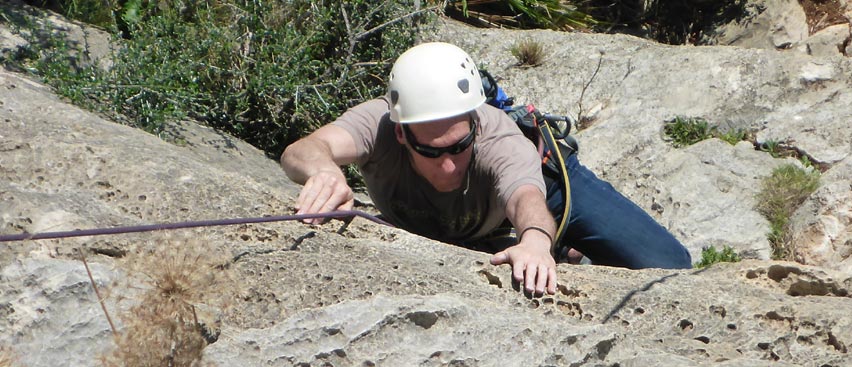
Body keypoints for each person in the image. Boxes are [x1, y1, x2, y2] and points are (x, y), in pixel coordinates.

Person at [280, 42, 691, 296]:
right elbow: (303, 150)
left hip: (547, 185)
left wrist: (533, 241)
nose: (448, 163)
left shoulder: (499, 140)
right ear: (402, 134)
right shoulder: (380, 124)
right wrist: (325, 171)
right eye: (430, 150)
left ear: (474, 125)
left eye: (460, 146)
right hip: (478, 216)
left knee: (668, 265)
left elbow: (526, 196)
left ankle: (558, 243)